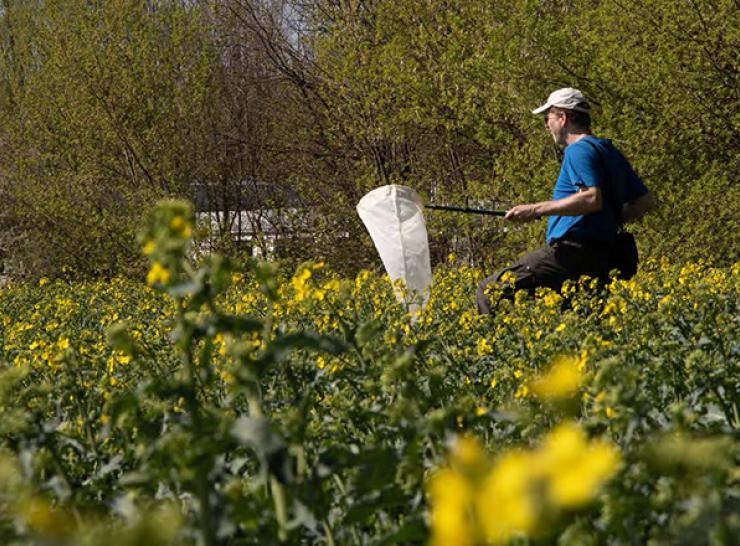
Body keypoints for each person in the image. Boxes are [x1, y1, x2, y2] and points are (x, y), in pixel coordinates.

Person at [476, 87, 655, 315]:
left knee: (488, 290)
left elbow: (591, 198)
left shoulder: (578, 151)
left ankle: (490, 348)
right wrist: (609, 219)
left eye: (547, 117)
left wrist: (535, 209)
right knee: (579, 323)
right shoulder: (608, 151)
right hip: (605, 257)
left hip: (571, 254)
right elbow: (645, 201)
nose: (545, 124)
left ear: (563, 117)